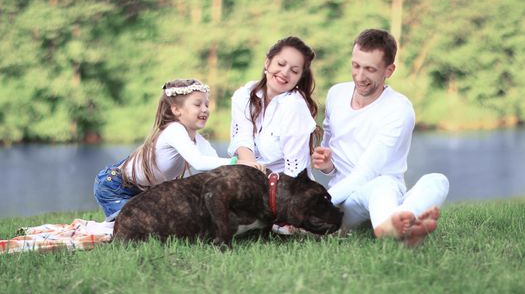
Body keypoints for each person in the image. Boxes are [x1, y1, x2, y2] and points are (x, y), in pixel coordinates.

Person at [312, 29, 449, 246]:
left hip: (383, 190)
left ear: (389, 70)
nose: (359, 76)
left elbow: (365, 174)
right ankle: (399, 225)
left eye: (370, 69)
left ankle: (399, 221)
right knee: (382, 185)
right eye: (355, 65)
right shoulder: (336, 94)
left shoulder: (399, 109)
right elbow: (331, 158)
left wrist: (316, 203)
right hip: (346, 203)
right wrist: (327, 166)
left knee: (438, 181)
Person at [94, 79, 261, 222]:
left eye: (207, 104)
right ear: (176, 110)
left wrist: (243, 171)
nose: (205, 109)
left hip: (143, 191)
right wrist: (239, 162)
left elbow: (215, 166)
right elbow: (199, 162)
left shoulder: (197, 139)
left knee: (166, 223)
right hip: (115, 186)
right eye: (198, 104)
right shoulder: (174, 130)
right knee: (129, 231)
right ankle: (86, 229)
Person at [228, 36, 319, 234]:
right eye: (281, 63)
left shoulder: (294, 106)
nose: (285, 73)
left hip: (283, 188)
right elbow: (242, 138)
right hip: (248, 176)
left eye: (294, 71)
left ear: (300, 77)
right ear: (267, 62)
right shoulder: (244, 95)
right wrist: (251, 169)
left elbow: (295, 170)